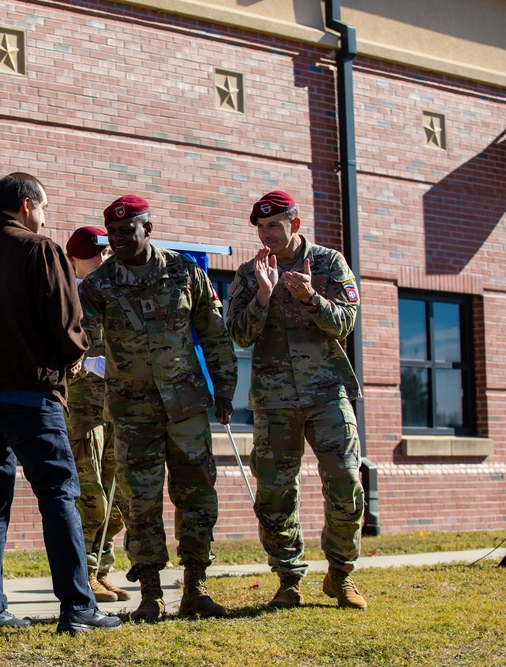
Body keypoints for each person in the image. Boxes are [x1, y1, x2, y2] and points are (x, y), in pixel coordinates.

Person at [0, 172, 121, 634]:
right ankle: (79, 609)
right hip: (26, 394)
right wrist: (74, 358)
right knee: (59, 495)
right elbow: (66, 322)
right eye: (43, 208)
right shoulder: (40, 250)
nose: (44, 217)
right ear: (26, 206)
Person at [79, 195, 237, 622]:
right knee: (139, 501)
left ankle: (196, 588)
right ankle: (151, 594)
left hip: (186, 406)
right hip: (132, 413)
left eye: (126, 232)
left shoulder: (185, 272)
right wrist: (95, 362)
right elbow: (82, 338)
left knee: (197, 495)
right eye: (111, 234)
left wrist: (225, 388)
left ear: (148, 229)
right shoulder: (98, 285)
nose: (118, 241)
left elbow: (214, 333)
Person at [225, 190, 367, 610]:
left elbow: (346, 322)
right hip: (273, 400)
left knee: (345, 480)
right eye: (261, 227)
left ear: (296, 224)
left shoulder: (329, 263)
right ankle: (288, 579)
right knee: (274, 492)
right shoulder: (249, 274)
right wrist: (263, 297)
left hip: (327, 394)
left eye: (275, 225)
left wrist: (309, 297)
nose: (267, 233)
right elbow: (237, 334)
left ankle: (341, 574)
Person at [63, 226, 130, 603]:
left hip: (115, 406)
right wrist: (87, 362)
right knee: (91, 497)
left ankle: (102, 569)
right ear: (74, 258)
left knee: (116, 495)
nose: (103, 260)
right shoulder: (64, 293)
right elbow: (50, 341)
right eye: (95, 254)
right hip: (82, 412)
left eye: (107, 253)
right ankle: (83, 573)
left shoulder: (115, 291)